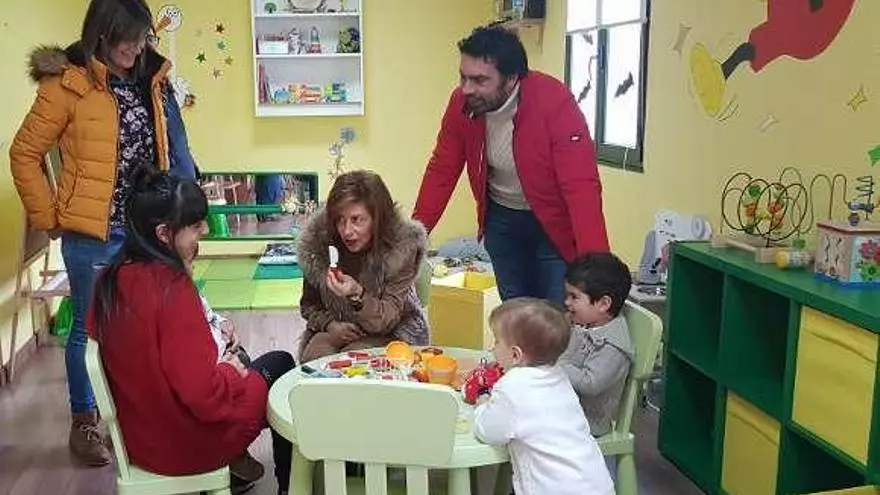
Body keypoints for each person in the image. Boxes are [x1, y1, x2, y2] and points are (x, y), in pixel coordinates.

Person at [8, 0, 198, 466]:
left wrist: (187, 217)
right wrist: (50, 216)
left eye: (141, 38)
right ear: (101, 33)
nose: (135, 48)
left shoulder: (153, 78)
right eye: (125, 39)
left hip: (150, 230)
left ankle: (141, 417)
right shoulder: (67, 84)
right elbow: (24, 154)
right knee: (88, 330)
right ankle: (84, 422)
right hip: (94, 234)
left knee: (152, 327)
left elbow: (175, 149)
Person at [88, 168, 294, 494]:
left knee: (243, 361)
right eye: (196, 225)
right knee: (280, 367)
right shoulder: (172, 289)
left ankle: (240, 466)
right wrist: (229, 371)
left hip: (138, 441)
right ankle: (288, 486)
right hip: (187, 445)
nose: (206, 230)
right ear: (163, 234)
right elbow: (205, 398)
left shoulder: (108, 281)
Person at [413, 24, 609, 305]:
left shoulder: (554, 102)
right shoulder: (461, 104)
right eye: (463, 77)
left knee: (556, 313)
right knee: (516, 314)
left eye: (479, 80)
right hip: (501, 219)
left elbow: (581, 186)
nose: (466, 89)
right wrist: (415, 237)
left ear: (511, 78)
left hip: (552, 223)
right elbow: (442, 169)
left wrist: (598, 268)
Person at [473, 298, 615, 495]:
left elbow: (489, 431)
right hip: (595, 484)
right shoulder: (559, 376)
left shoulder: (512, 386)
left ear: (515, 355)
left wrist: (482, 404)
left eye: (496, 341)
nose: (493, 348)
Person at [298, 170, 429, 362]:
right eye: (340, 220)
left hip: (390, 330)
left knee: (352, 361)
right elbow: (309, 305)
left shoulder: (401, 249)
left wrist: (357, 294)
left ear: (378, 219)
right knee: (314, 359)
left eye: (356, 220)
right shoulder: (319, 244)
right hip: (337, 326)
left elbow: (387, 319)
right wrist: (330, 325)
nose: (347, 231)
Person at [691, 0, 856, 117]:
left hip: (806, 26)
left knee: (755, 46)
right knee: (754, 46)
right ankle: (719, 75)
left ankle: (719, 78)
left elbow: (819, 10)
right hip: (800, 23)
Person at [558, 252, 634, 437]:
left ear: (603, 304)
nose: (567, 302)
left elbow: (590, 383)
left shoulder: (613, 346)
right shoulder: (587, 322)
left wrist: (557, 364)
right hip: (565, 407)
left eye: (574, 297)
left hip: (587, 423)